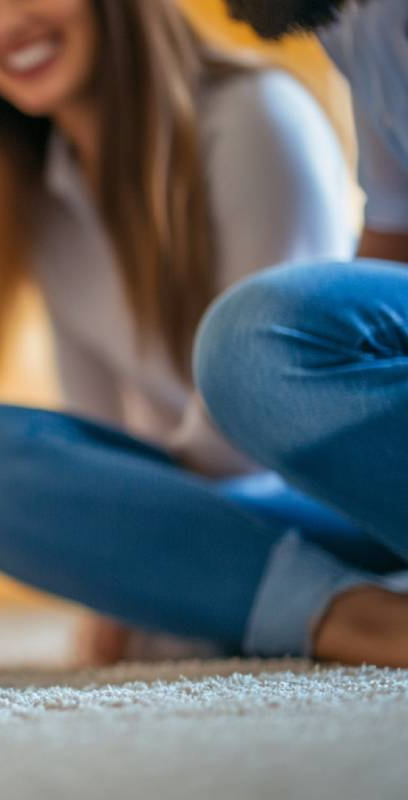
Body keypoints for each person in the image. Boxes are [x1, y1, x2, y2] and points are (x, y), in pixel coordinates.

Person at [0, 0, 359, 660]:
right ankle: (287, 599)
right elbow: (98, 425)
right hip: (212, 505)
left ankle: (343, 609)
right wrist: (119, 559)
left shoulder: (255, 116)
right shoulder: (45, 192)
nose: (4, 24)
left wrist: (138, 541)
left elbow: (258, 405)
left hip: (332, 491)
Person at [189, 0, 408, 666]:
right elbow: (393, 235)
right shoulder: (357, 23)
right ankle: (353, 608)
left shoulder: (252, 110)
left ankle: (323, 609)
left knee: (253, 339)